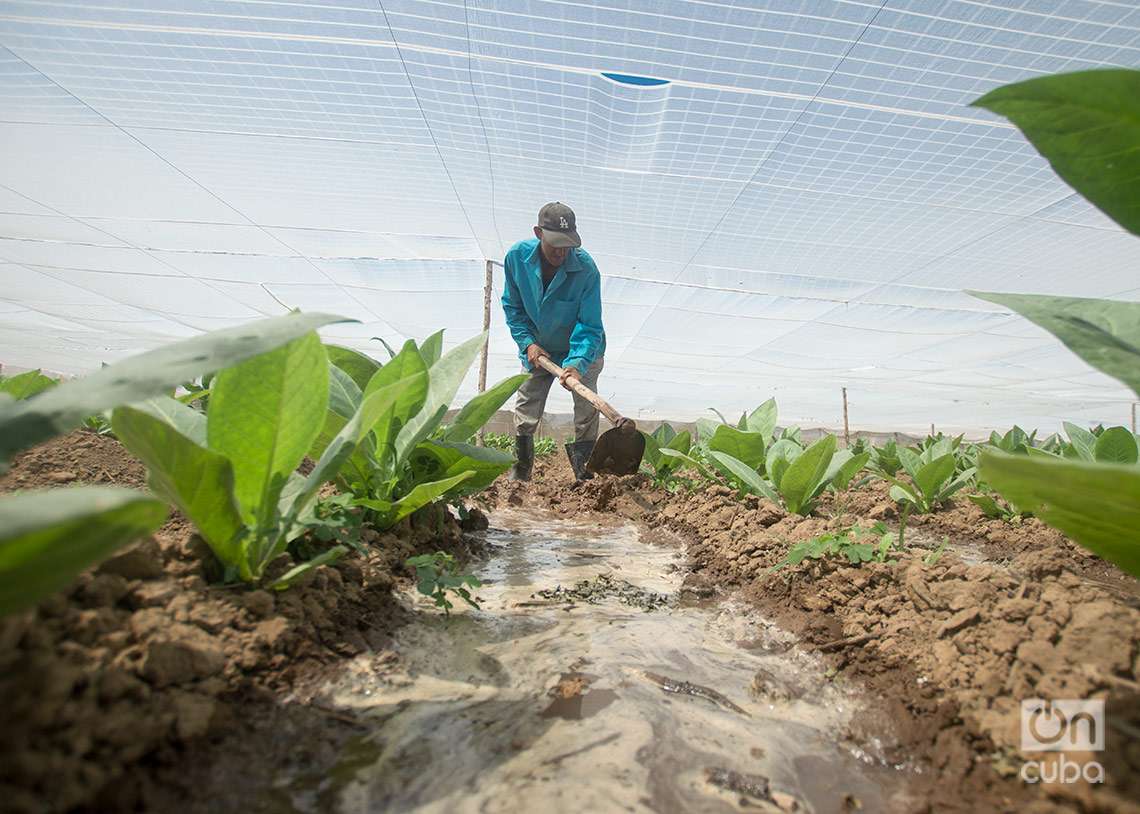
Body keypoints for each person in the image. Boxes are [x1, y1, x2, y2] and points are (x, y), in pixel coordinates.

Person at [501, 202, 606, 482]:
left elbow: (590, 324)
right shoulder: (516, 258)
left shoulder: (586, 269)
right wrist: (527, 343)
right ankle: (521, 473)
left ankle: (584, 476)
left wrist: (576, 363)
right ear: (538, 233)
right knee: (526, 404)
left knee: (586, 410)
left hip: (583, 349)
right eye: (555, 244)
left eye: (567, 244)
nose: (561, 251)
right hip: (539, 348)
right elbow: (513, 307)